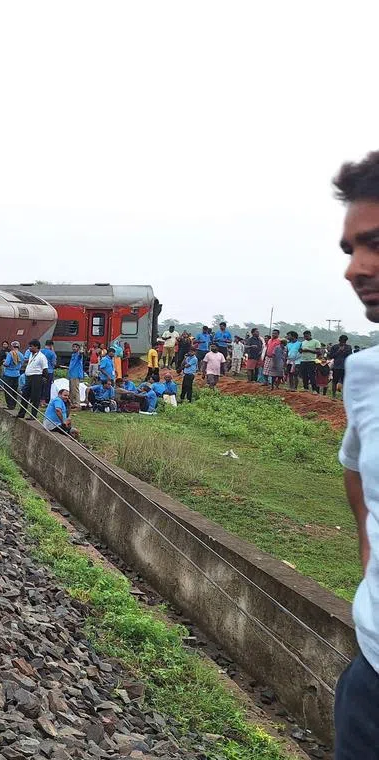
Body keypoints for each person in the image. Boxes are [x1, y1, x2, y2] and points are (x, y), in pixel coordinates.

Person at [331, 149, 379, 754]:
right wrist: (369, 551)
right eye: (350, 250)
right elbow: (354, 468)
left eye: (377, 243)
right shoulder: (365, 376)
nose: (354, 269)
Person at [18, 339, 49, 419]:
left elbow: (45, 369)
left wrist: (45, 378)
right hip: (29, 377)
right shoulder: (31, 354)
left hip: (36, 377)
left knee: (35, 397)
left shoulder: (42, 357)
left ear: (36, 347)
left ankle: (33, 415)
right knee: (25, 395)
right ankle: (22, 413)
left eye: (31, 346)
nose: (29, 348)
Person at [0, 342, 23, 410]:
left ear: (12, 346)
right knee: (14, 390)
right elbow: (21, 363)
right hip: (17, 374)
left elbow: (7, 363)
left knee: (8, 390)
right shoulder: (21, 355)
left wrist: (3, 362)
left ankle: (10, 405)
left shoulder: (10, 353)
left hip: (8, 374)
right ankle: (14, 405)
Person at [330, 334, 352, 399]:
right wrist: (339, 351)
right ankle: (333, 395)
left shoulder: (348, 347)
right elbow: (331, 356)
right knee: (334, 381)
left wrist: (344, 351)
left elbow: (350, 356)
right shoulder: (335, 347)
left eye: (344, 341)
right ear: (339, 340)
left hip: (345, 367)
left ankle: (343, 397)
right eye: (342, 341)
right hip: (336, 367)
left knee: (344, 382)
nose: (343, 343)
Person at [41, 340, 58, 405]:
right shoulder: (52, 353)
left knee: (41, 386)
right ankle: (44, 401)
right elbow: (54, 363)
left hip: (41, 371)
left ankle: (39, 400)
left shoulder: (41, 351)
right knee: (47, 386)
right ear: (51, 345)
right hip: (49, 371)